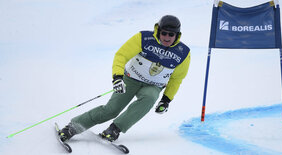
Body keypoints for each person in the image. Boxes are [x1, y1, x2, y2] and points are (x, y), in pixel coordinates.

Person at [59, 15, 191, 142]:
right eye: (164, 33)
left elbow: (177, 79)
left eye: (171, 34)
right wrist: (117, 77)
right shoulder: (143, 38)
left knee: (150, 97)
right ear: (158, 31)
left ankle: (114, 130)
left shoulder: (183, 53)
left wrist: (166, 100)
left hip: (153, 86)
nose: (166, 37)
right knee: (111, 110)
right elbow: (121, 55)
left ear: (177, 35)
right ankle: (72, 128)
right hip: (130, 79)